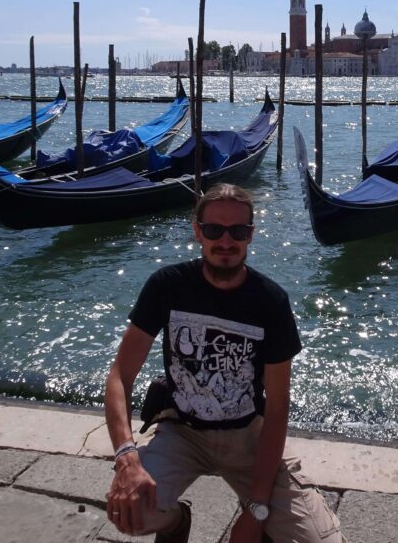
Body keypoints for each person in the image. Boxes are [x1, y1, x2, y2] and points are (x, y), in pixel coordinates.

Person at [104, 183, 344, 543]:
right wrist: (127, 458)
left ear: (251, 235)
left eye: (238, 231)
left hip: (248, 436)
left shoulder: (271, 302)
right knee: (129, 513)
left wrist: (256, 511)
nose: (226, 241)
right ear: (198, 232)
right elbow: (120, 375)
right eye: (214, 230)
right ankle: (175, 522)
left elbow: (277, 408)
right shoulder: (166, 286)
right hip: (182, 429)